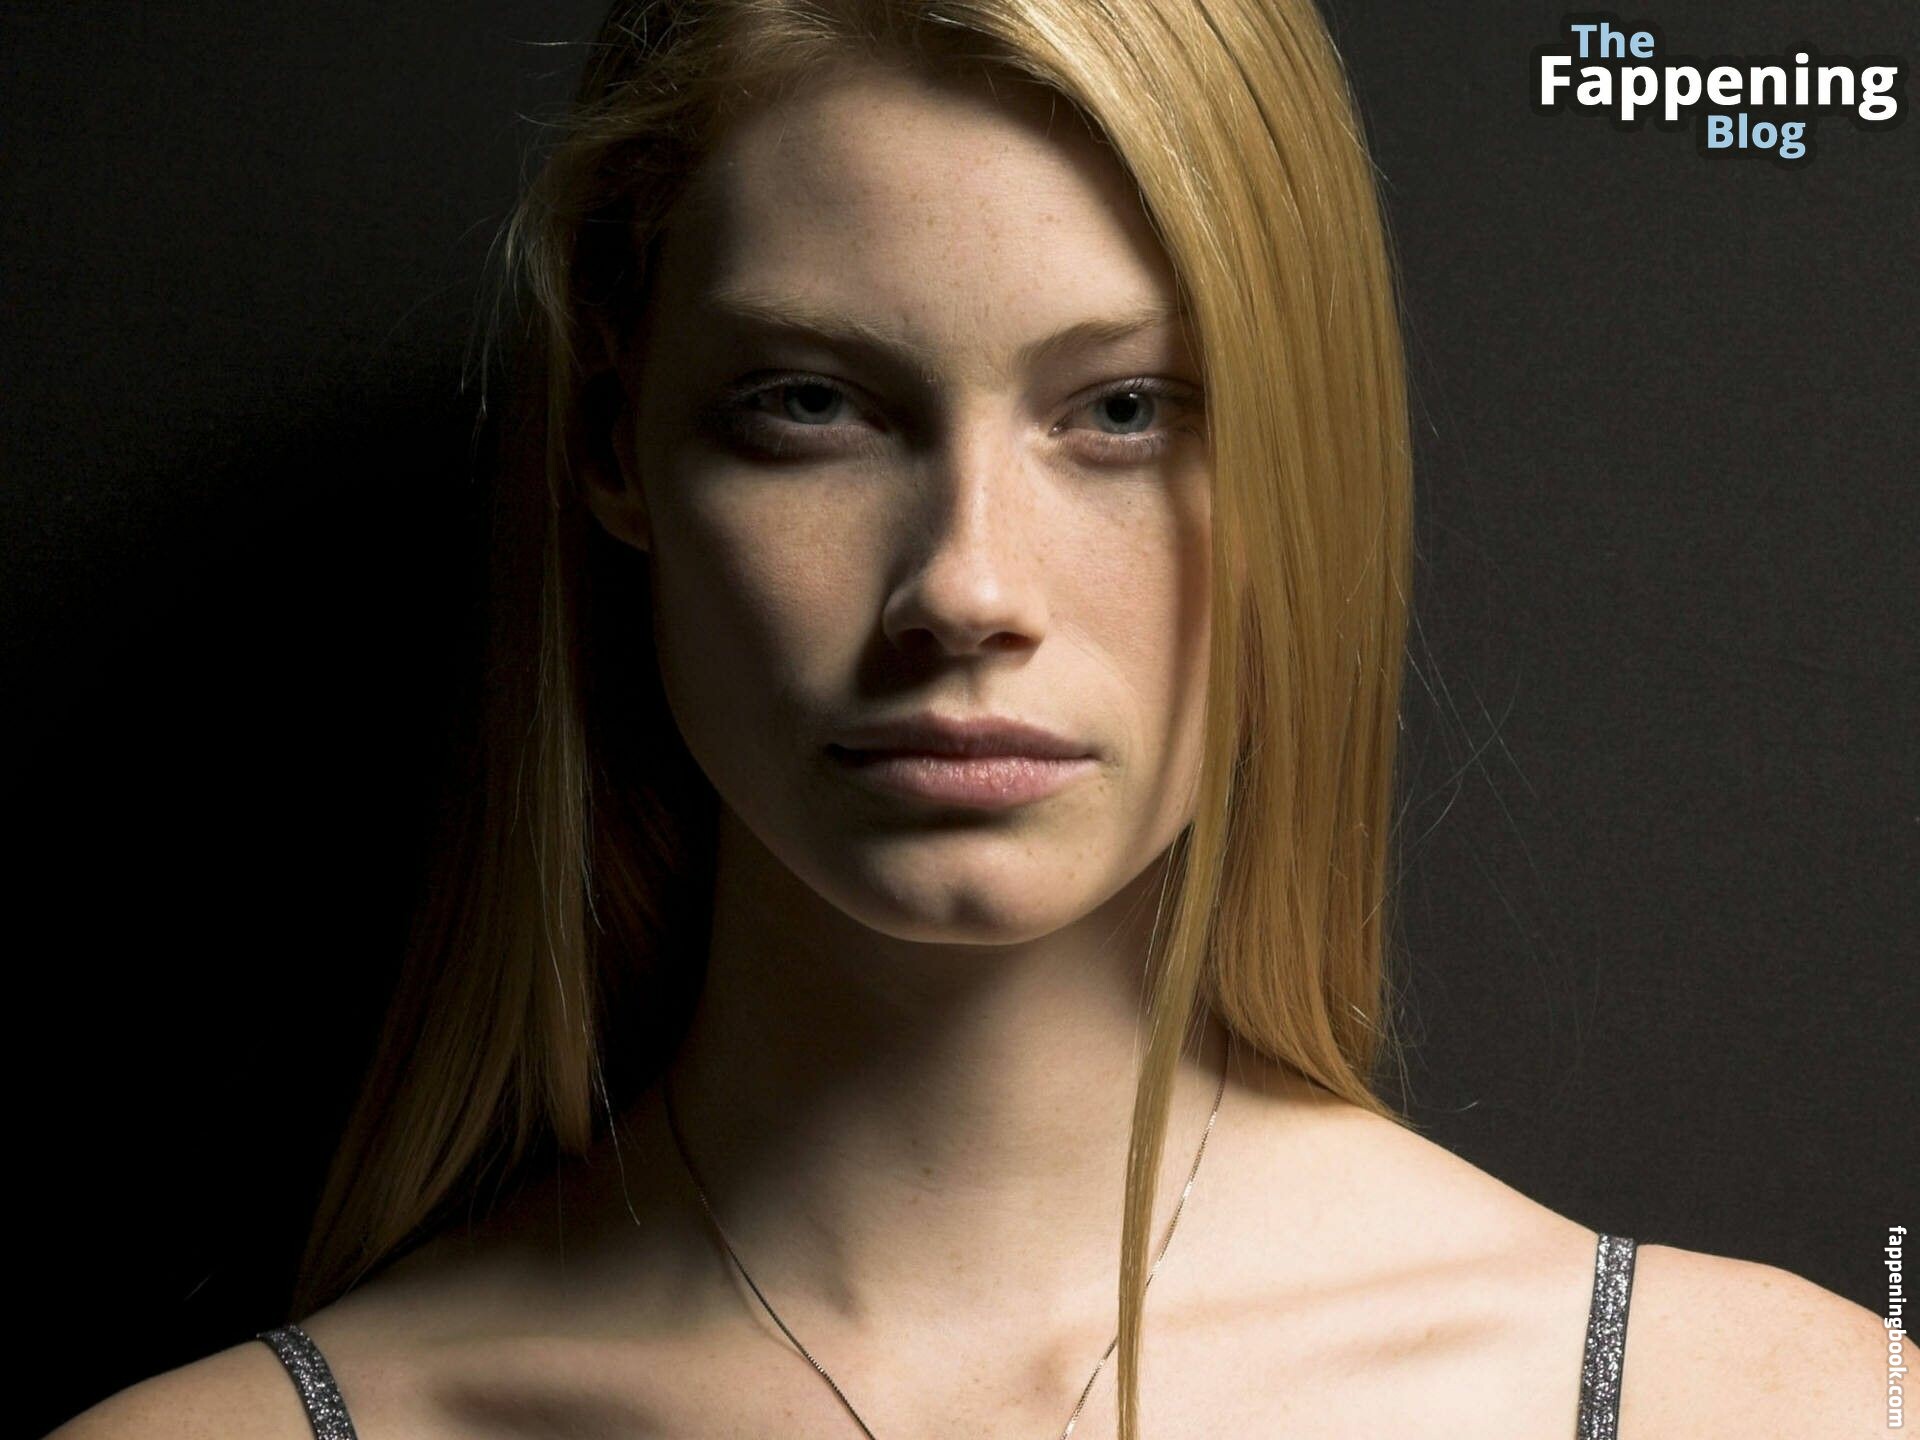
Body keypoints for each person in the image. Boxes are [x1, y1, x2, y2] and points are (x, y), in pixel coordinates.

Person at [51, 1, 1883, 1436]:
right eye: (810, 404)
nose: (968, 585)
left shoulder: (1776, 1414)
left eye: (1125, 410)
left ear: (1307, 460)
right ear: (617, 442)